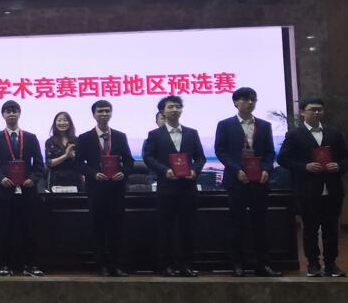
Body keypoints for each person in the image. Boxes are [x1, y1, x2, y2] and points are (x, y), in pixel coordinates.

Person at [277, 97, 348, 277]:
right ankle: (313, 264)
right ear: (302, 112)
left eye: (319, 109)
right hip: (307, 189)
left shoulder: (334, 133)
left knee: (331, 229)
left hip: (332, 189)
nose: (317, 112)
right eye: (313, 109)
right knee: (310, 229)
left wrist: (339, 166)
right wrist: (304, 166)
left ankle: (331, 264)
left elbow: (345, 157)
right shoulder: (295, 134)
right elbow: (283, 159)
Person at [214, 88, 281, 277]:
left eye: (253, 99)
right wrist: (237, 170)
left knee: (260, 224)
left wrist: (266, 169)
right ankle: (237, 264)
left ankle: (263, 264)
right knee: (237, 223)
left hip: (259, 180)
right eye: (245, 99)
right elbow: (221, 151)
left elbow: (270, 152)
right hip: (236, 180)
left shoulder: (264, 125)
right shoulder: (225, 125)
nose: (250, 103)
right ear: (235, 102)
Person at [141, 95, 206, 276]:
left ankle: (186, 265)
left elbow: (201, 157)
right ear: (162, 111)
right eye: (170, 107)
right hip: (166, 187)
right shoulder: (155, 134)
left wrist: (195, 170)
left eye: (178, 106)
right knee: (166, 228)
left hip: (188, 187)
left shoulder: (192, 133)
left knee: (187, 227)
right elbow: (148, 157)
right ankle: (167, 265)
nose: (175, 109)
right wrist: (164, 171)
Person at [0, 100, 46, 276]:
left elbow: (40, 165)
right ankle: (4, 265)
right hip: (5, 190)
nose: (11, 114)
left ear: (19, 113)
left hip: (27, 190)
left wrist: (32, 179)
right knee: (4, 229)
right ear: (3, 115)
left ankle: (31, 265)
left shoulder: (31, 137)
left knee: (29, 229)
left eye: (14, 111)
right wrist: (1, 178)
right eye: (8, 111)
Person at [76, 100, 134, 276]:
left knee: (116, 228)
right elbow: (78, 163)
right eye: (100, 111)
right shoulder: (85, 137)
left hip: (116, 188)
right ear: (94, 114)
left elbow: (129, 162)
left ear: (111, 113)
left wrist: (123, 172)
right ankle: (101, 265)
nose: (104, 114)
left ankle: (116, 265)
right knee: (98, 227)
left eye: (107, 111)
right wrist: (93, 174)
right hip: (96, 189)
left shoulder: (120, 136)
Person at [45, 111, 81, 190]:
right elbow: (49, 163)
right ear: (55, 123)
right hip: (56, 180)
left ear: (70, 123)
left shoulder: (77, 140)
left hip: (75, 179)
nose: (62, 123)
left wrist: (73, 156)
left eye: (65, 120)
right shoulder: (50, 141)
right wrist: (66, 156)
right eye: (59, 120)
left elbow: (81, 162)